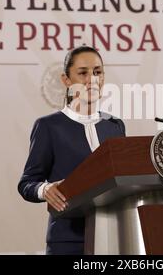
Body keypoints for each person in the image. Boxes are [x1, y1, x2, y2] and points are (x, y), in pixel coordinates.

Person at [18, 45, 126, 255]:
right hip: (68, 241)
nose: (92, 80)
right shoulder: (48, 126)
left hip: (115, 237)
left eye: (97, 72)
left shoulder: (115, 125)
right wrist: (45, 189)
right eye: (83, 73)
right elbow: (26, 183)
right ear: (66, 80)